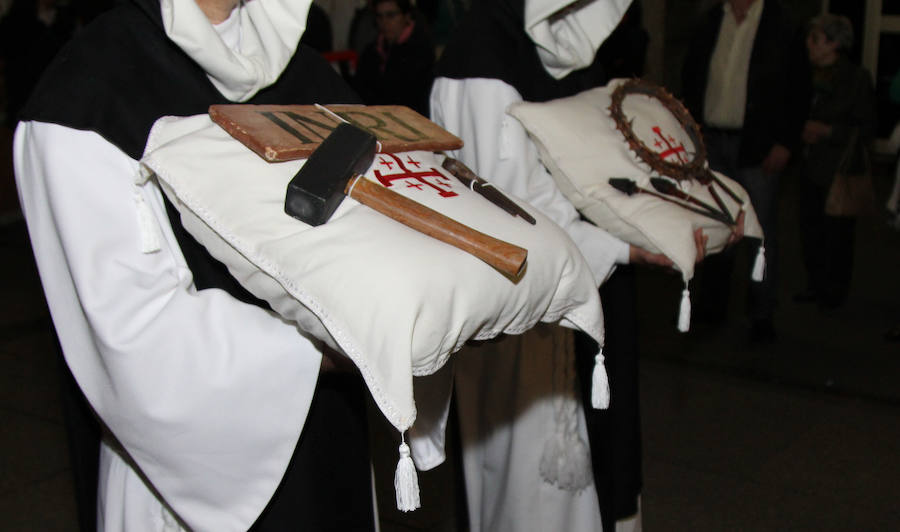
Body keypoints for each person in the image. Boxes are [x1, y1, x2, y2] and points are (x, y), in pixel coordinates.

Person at [14, 0, 381, 528]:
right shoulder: (88, 97)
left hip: (334, 431)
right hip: (197, 472)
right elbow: (139, 341)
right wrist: (330, 347)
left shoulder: (305, 70)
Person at [428, 0, 703, 530]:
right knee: (537, 492)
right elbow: (506, 214)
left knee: (606, 462)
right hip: (527, 321)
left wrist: (675, 213)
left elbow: (600, 173)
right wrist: (628, 246)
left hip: (595, 291)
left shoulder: (568, 40)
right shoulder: (484, 55)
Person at [682, 0, 810, 344]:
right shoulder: (710, 20)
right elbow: (691, 76)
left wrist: (785, 142)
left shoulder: (782, 25)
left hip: (757, 145)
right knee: (714, 223)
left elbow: (799, 89)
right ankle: (712, 306)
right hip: (711, 141)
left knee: (759, 231)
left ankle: (761, 313)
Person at [794, 14, 875, 311]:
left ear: (834, 44)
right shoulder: (806, 75)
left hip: (838, 167)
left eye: (816, 39)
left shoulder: (856, 78)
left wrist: (828, 132)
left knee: (838, 235)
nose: (809, 45)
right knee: (810, 228)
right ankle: (815, 284)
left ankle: (834, 291)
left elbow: (866, 127)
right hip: (810, 165)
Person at [353, 0, 435, 116]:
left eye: (391, 15)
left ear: (407, 16)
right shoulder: (372, 50)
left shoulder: (420, 50)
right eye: (379, 16)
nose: (384, 22)